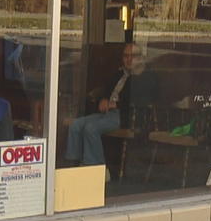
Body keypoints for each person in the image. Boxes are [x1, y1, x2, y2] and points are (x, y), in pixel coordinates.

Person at [64, 42, 156, 179]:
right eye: (126, 56)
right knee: (76, 125)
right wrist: (103, 100)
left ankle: (97, 170)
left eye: (133, 56)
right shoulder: (119, 74)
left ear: (141, 57)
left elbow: (140, 100)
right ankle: (74, 164)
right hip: (107, 113)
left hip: (126, 115)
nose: (129, 59)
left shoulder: (145, 76)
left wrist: (115, 104)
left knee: (91, 128)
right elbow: (106, 91)